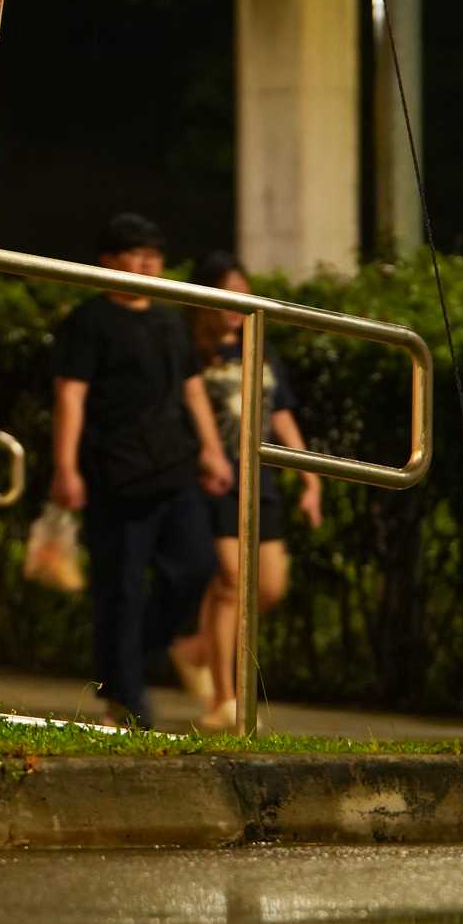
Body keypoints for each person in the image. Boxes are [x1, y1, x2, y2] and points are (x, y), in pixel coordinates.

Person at [50, 213, 234, 728]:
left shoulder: (169, 320)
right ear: (108, 261)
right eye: (136, 253)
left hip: (176, 469)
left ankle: (137, 656)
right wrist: (65, 467)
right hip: (116, 474)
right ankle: (126, 698)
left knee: (195, 569)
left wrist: (212, 452)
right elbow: (71, 395)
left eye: (154, 253)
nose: (148, 262)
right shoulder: (89, 322)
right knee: (121, 588)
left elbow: (192, 389)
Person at [169, 252, 323, 733]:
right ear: (205, 298)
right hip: (213, 479)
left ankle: (195, 648)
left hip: (263, 478)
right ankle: (224, 700)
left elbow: (280, 412)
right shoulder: (191, 349)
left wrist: (310, 475)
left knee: (270, 587)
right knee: (232, 584)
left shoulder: (261, 346)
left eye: (243, 293)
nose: (236, 305)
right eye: (226, 294)